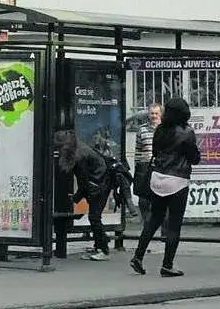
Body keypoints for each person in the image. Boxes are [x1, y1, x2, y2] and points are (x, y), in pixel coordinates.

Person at [129, 97, 201, 277]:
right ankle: (167, 265)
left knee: (154, 219)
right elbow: (194, 158)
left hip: (157, 178)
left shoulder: (160, 129)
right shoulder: (187, 132)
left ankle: (138, 256)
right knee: (173, 225)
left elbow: (154, 152)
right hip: (177, 181)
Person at [56, 129, 114, 261]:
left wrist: (77, 197)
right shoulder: (79, 148)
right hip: (99, 183)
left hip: (99, 185)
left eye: (59, 147)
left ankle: (103, 249)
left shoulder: (79, 155)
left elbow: (84, 180)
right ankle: (100, 243)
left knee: (94, 217)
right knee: (94, 217)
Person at [133, 103, 164, 227]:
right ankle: (147, 227)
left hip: (161, 167)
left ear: (161, 114)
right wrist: (138, 165)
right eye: (152, 113)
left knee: (162, 199)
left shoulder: (165, 129)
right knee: (143, 200)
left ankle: (164, 230)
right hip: (144, 167)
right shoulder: (142, 129)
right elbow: (138, 150)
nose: (154, 116)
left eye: (156, 113)